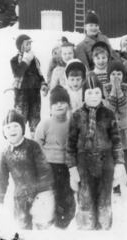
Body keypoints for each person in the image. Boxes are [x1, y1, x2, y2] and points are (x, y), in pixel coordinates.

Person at [67, 74, 124, 230]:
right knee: (85, 197)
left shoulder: (109, 114)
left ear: (102, 94)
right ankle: (86, 227)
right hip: (83, 162)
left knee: (104, 196)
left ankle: (104, 227)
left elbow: (117, 141)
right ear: (84, 95)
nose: (93, 96)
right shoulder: (77, 115)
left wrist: (119, 164)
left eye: (97, 92)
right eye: (89, 93)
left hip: (106, 162)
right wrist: (72, 168)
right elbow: (70, 145)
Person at [0, 110, 54, 229]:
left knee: (43, 227)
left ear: (22, 129)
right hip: (20, 199)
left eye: (16, 126)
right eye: (8, 127)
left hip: (39, 195)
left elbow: (44, 170)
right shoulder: (5, 154)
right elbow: (1, 179)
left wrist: (44, 192)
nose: (12, 130)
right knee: (22, 230)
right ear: (4, 132)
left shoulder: (32, 146)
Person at [34, 86, 76, 229]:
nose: (59, 105)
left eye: (62, 102)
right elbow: (37, 144)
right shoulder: (45, 123)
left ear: (68, 106)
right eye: (55, 103)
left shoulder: (72, 123)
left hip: (67, 167)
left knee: (66, 195)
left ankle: (63, 222)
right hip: (49, 167)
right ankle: (46, 219)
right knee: (49, 195)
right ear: (50, 107)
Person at [103, 61, 127, 196]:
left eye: (119, 74)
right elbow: (110, 107)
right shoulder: (105, 88)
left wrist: (118, 89)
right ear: (108, 75)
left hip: (124, 126)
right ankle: (115, 185)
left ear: (123, 75)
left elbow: (123, 108)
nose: (116, 77)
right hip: (110, 128)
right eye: (113, 74)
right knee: (112, 156)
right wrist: (114, 89)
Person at [10, 34, 48, 138]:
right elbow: (18, 73)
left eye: (30, 44)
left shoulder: (34, 60)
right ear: (21, 46)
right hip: (22, 94)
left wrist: (43, 84)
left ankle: (35, 140)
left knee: (35, 119)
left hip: (34, 93)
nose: (29, 46)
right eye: (27, 44)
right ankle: (18, 140)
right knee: (20, 118)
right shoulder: (14, 60)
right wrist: (26, 61)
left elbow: (39, 74)